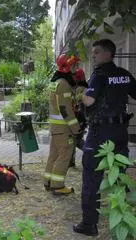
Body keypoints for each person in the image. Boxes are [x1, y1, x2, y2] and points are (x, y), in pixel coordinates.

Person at [73, 39, 136, 236]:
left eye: (96, 52)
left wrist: (81, 94)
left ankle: (89, 224)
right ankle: (123, 221)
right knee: (120, 175)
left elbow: (90, 101)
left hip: (100, 133)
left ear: (108, 54)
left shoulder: (99, 75)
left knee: (92, 177)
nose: (93, 55)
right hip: (120, 132)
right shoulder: (124, 75)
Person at [44, 54, 81, 195]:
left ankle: (48, 182)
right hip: (64, 127)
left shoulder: (56, 82)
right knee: (65, 155)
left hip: (55, 127)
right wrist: (76, 129)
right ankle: (58, 186)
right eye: (74, 65)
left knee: (54, 154)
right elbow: (66, 110)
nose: (76, 68)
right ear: (66, 67)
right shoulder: (64, 84)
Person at [69, 68, 88, 167]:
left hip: (78, 117)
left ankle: (89, 152)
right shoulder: (82, 88)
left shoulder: (80, 89)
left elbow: (76, 104)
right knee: (73, 140)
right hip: (80, 118)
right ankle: (71, 162)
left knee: (75, 140)